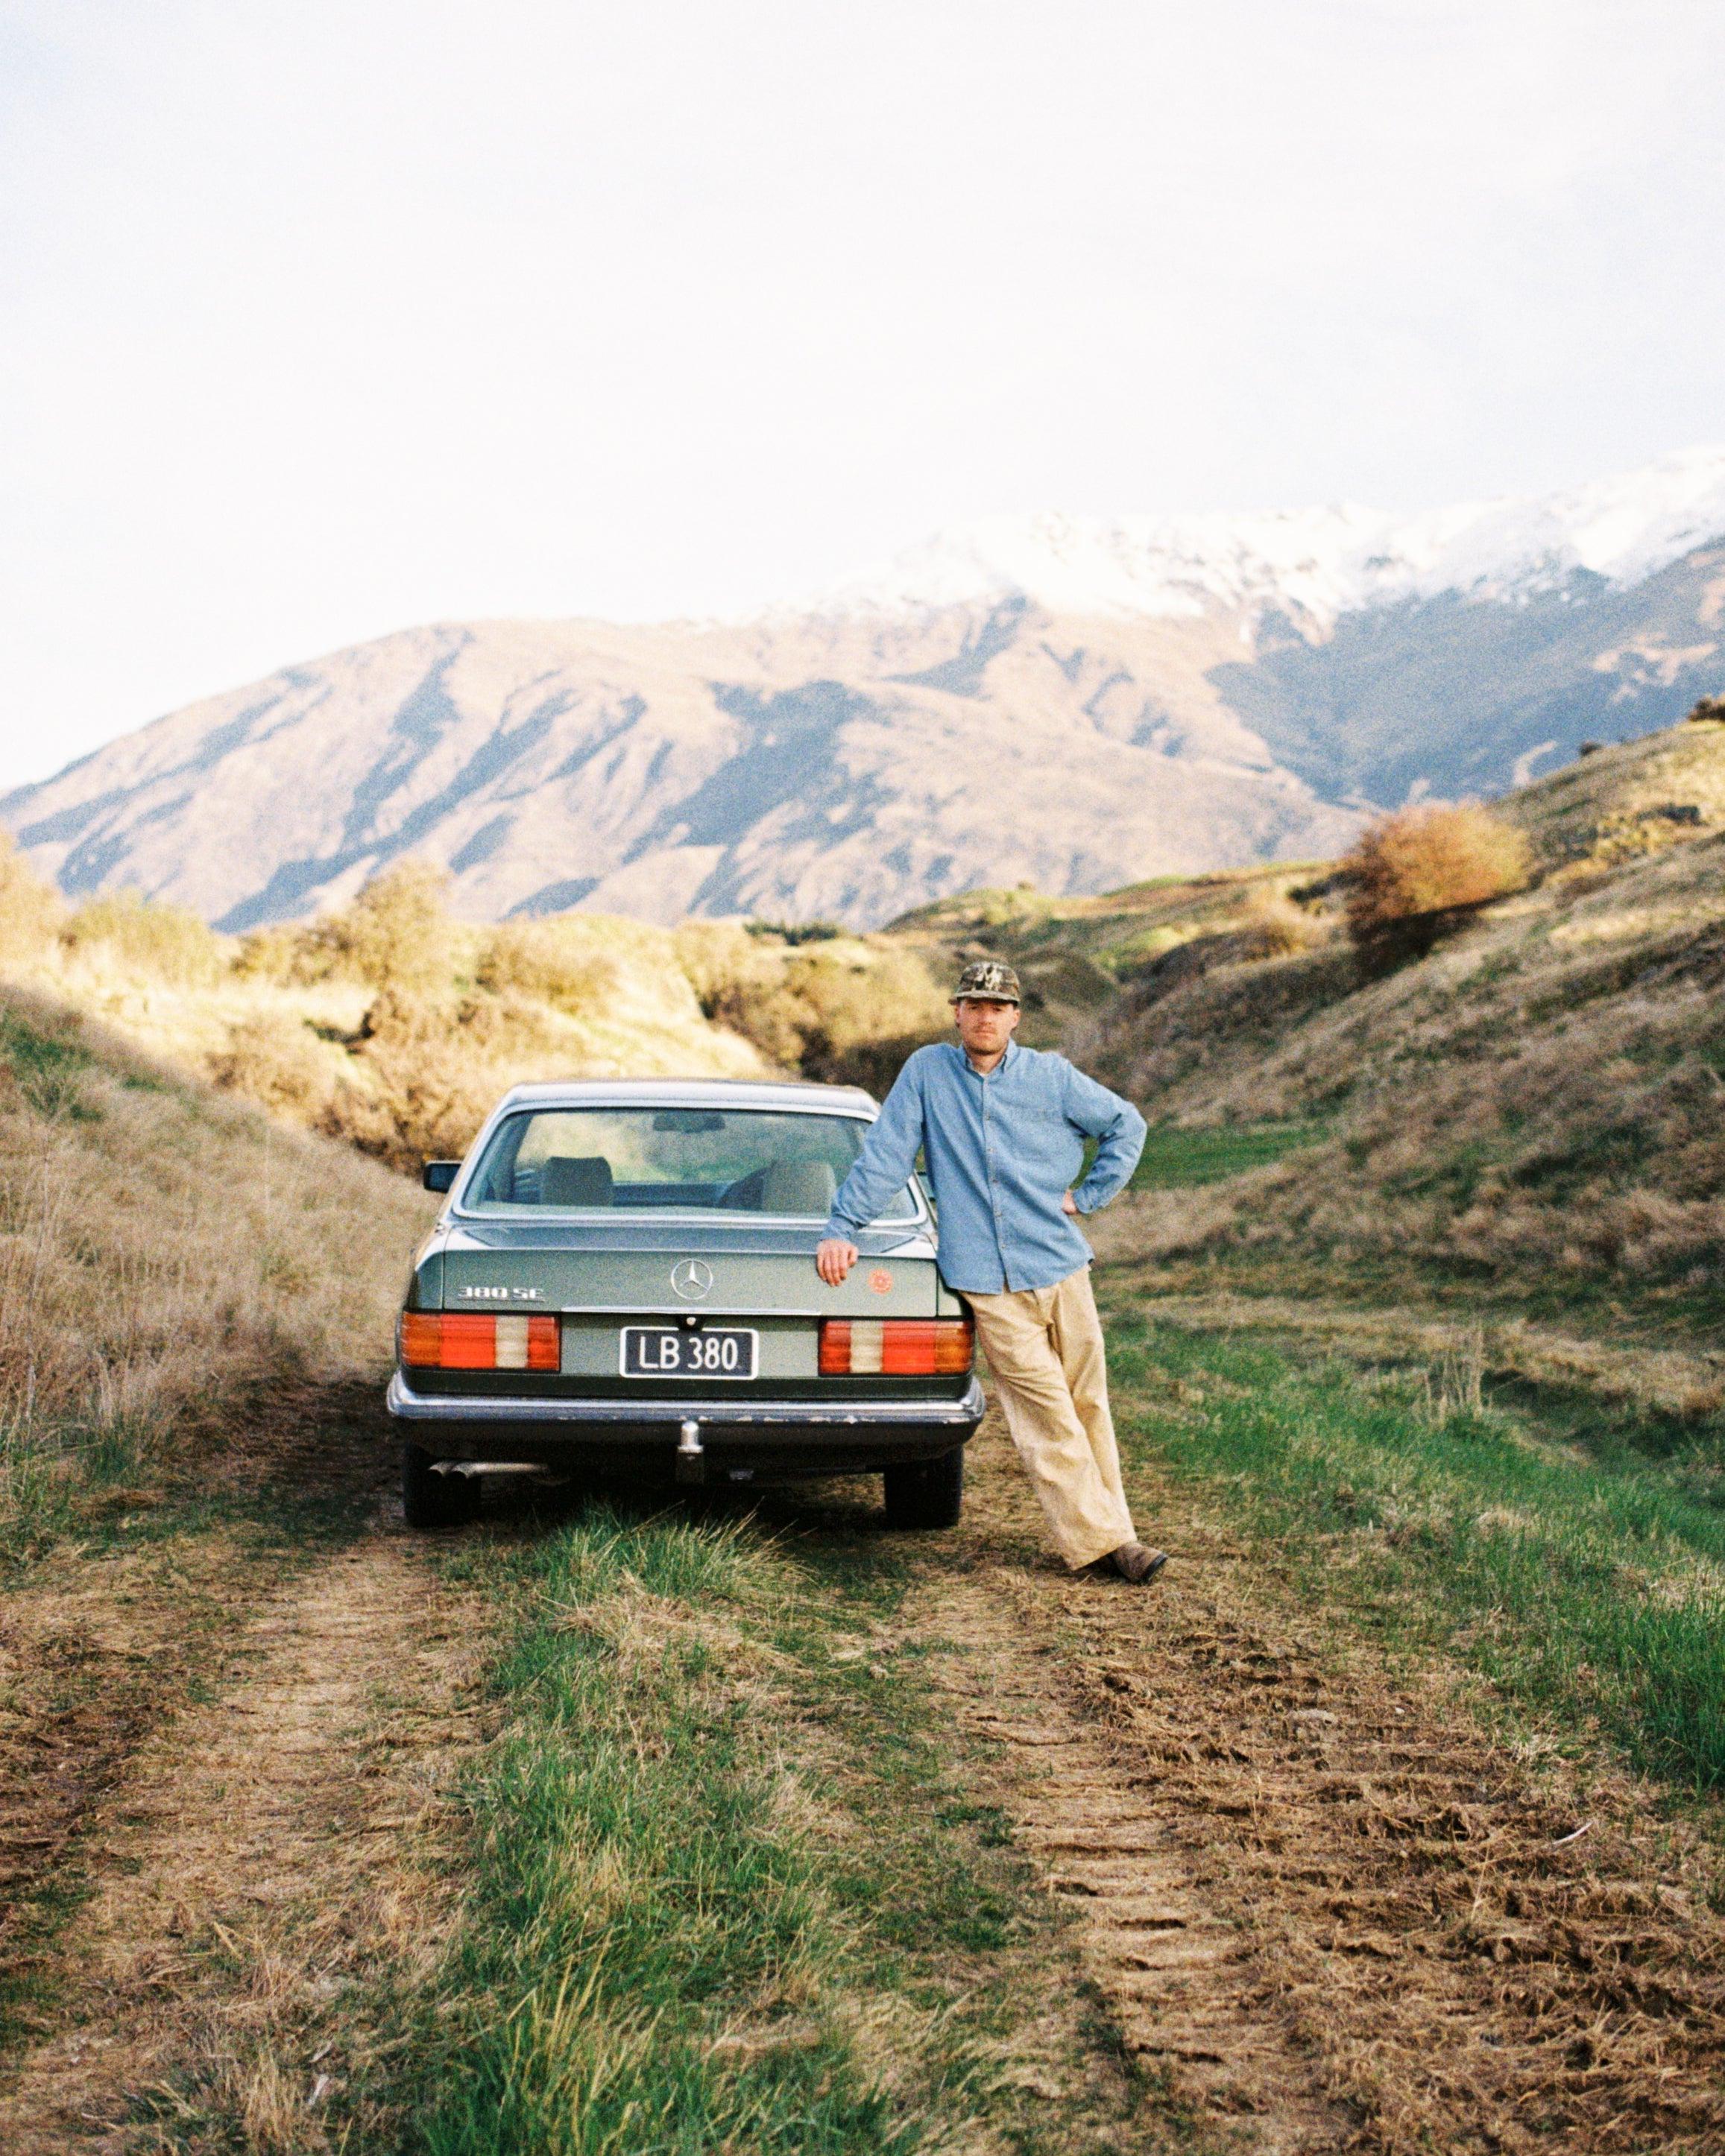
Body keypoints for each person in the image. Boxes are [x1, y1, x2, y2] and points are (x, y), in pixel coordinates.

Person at [816, 960, 1166, 1584]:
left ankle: (1117, 1531)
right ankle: (1108, 1544)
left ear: (1015, 1017)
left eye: (998, 1006)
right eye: (974, 1004)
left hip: (1060, 1266)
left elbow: (1125, 1125)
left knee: (1089, 1403)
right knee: (1047, 1414)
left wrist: (1087, 1196)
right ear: (956, 1011)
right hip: (987, 1281)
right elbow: (887, 1154)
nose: (985, 1015)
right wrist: (844, 1227)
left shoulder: (1051, 1076)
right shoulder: (927, 1072)